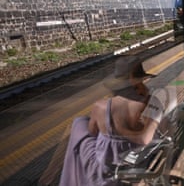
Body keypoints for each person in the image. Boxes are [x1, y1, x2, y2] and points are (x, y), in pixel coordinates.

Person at [59, 56, 174, 186]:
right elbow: (156, 134)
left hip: (107, 164)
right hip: (135, 158)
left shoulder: (100, 106)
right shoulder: (151, 103)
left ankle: (63, 178)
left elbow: (92, 133)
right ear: (138, 83)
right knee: (79, 125)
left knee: (78, 125)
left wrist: (114, 131)